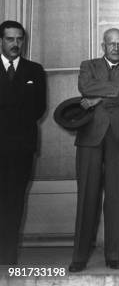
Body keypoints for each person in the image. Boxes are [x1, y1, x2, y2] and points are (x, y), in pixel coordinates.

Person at [68, 29, 119, 272]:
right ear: (103, 45)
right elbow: (85, 86)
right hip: (90, 137)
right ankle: (79, 256)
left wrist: (97, 99)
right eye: (111, 44)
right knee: (86, 197)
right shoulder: (87, 65)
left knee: (116, 198)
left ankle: (113, 255)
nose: (115, 48)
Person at [0, 21, 46, 265]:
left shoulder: (35, 70)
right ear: (1, 41)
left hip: (22, 147)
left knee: (15, 200)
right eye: (10, 39)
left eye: (19, 39)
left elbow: (38, 108)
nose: (15, 44)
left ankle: (7, 255)